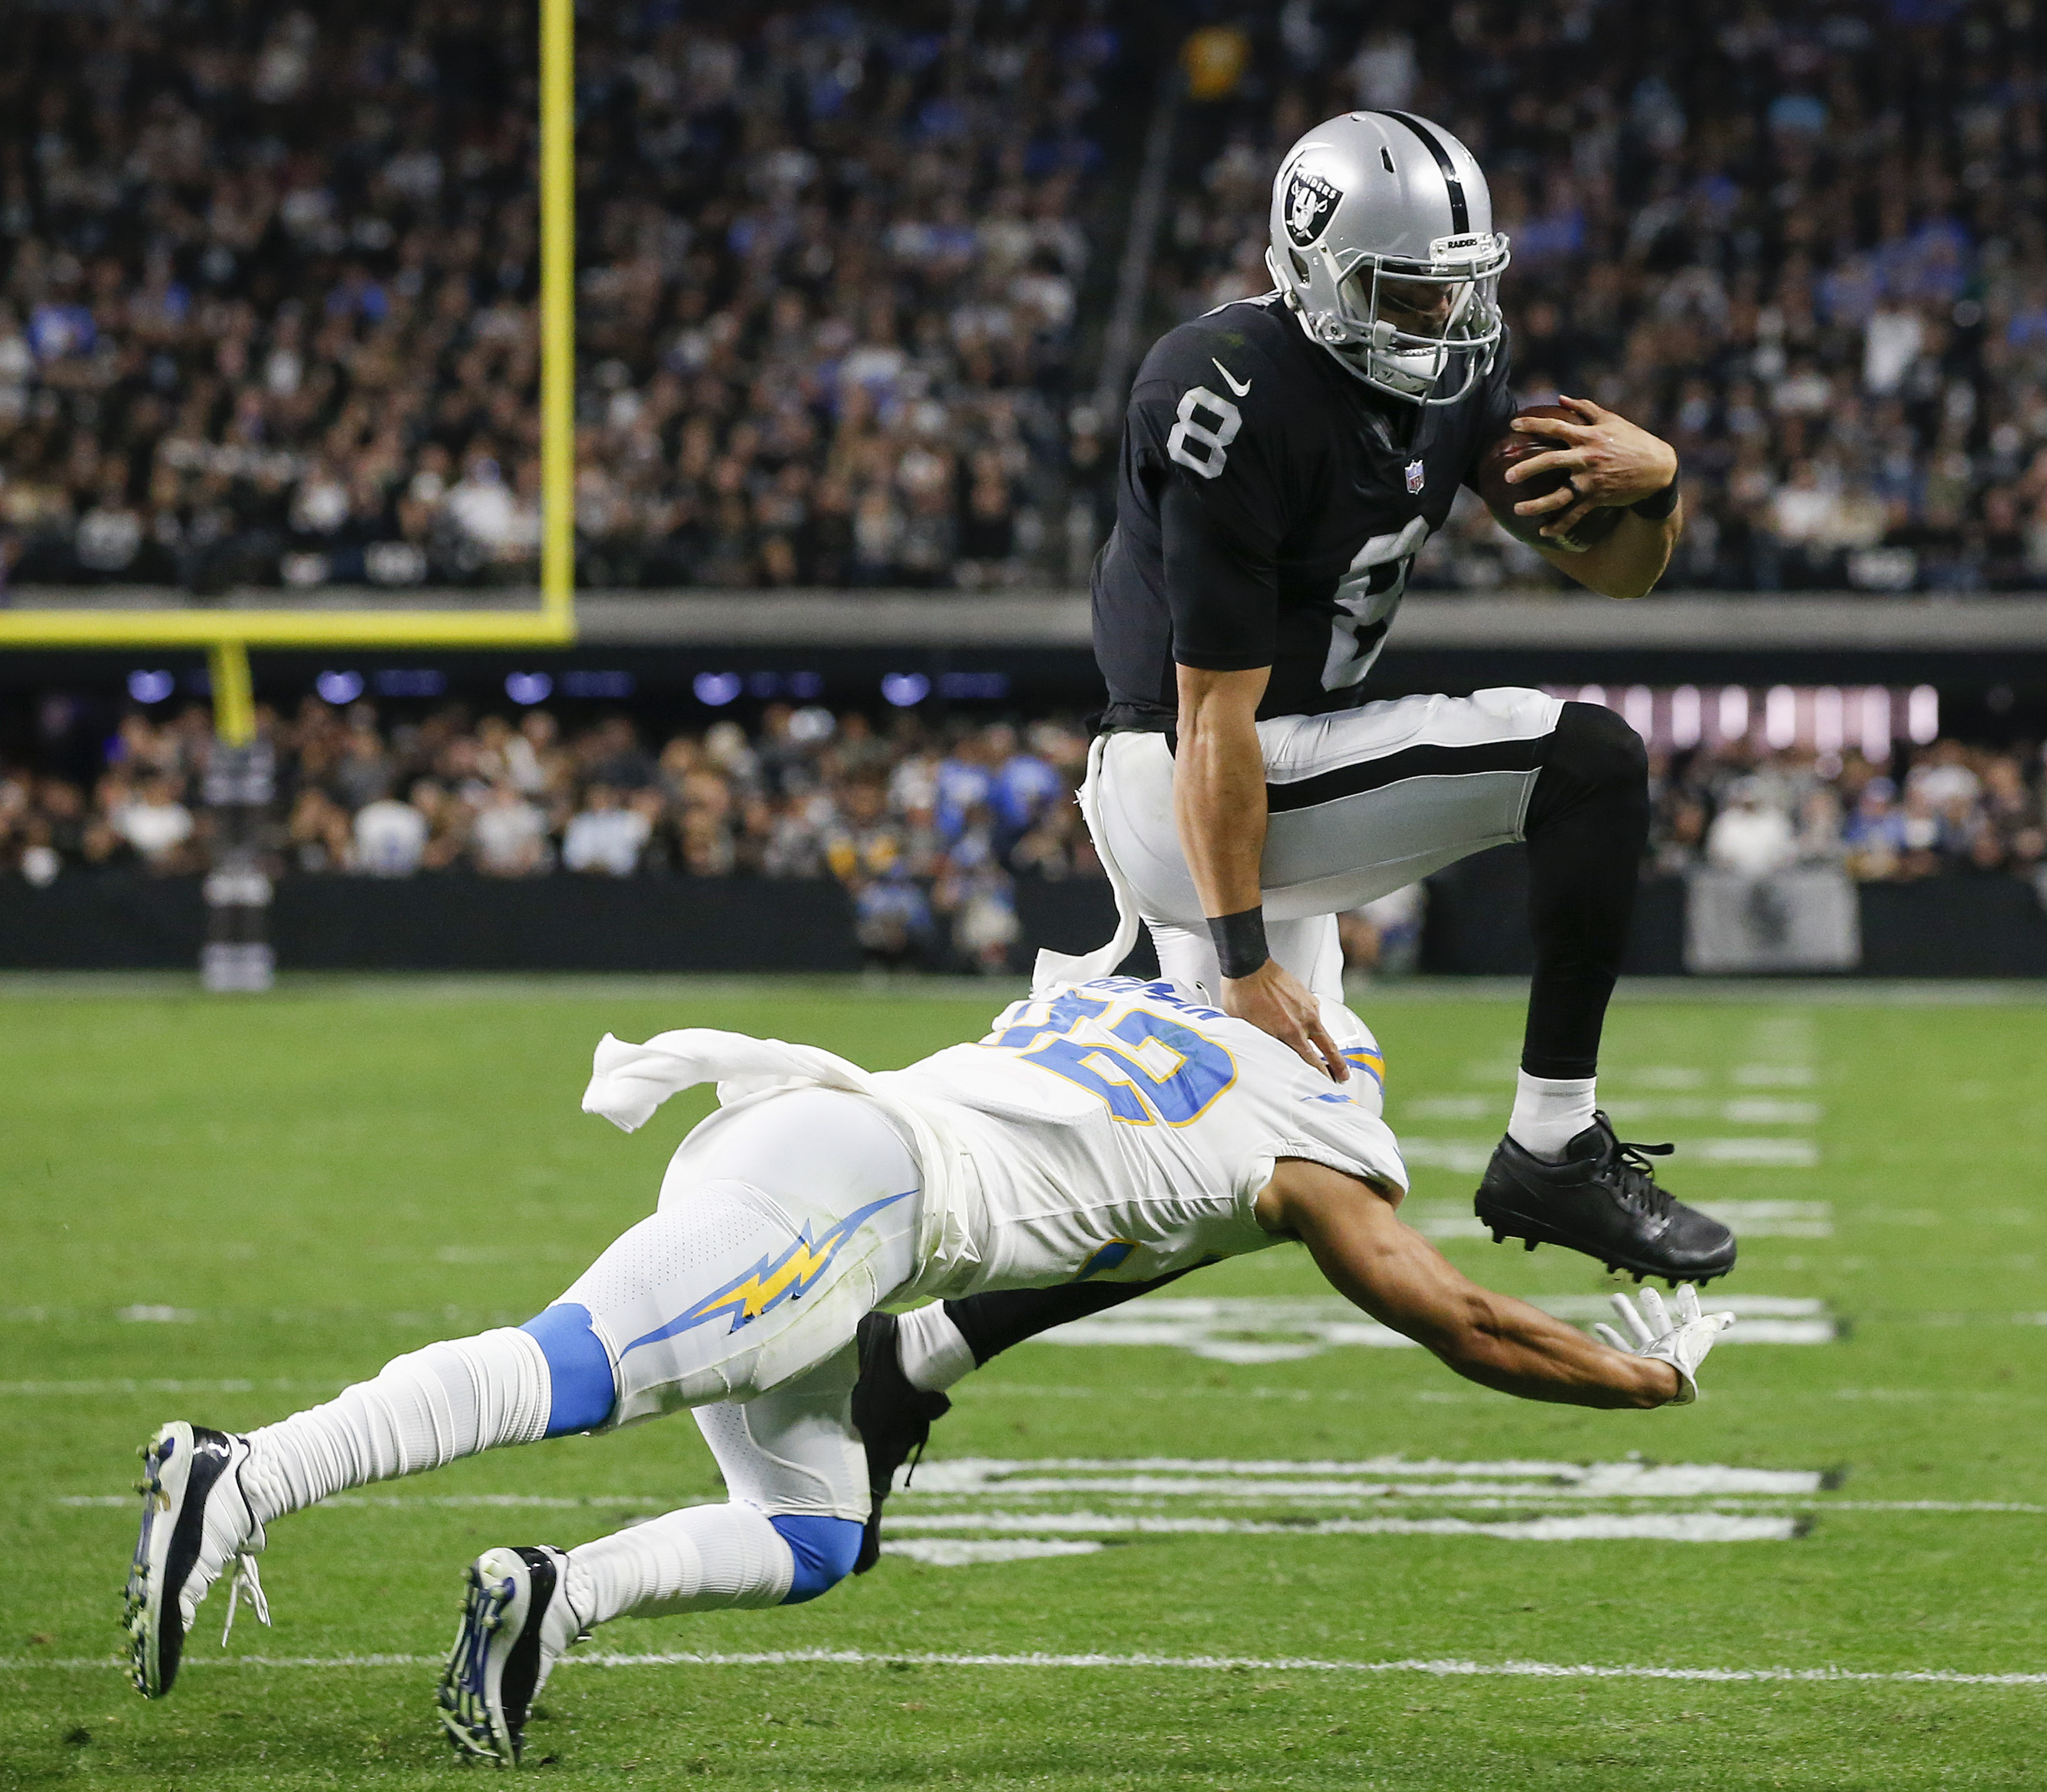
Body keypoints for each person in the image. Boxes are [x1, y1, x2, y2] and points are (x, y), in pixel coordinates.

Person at [120, 977, 1732, 1767]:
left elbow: (1082, 1227)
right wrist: (1642, 1383)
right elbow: (1463, 1319)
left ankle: (552, 1599)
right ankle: (243, 1474)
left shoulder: (1129, 1006)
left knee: (817, 1526)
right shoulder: (1308, 1149)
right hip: (856, 1204)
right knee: (574, 1367)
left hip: (831, 1153)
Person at [1060, 108, 1731, 1291]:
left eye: (1455, 287)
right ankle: (1553, 1142)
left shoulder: (1457, 374)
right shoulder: (1220, 392)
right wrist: (1241, 956)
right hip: (1191, 780)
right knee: (1587, 759)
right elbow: (1213, 713)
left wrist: (1661, 483)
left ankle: (919, 1354)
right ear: (1312, 266)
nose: (1442, 317)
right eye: (1406, 289)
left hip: (1272, 778)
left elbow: (1620, 573)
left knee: (1274, 1171)